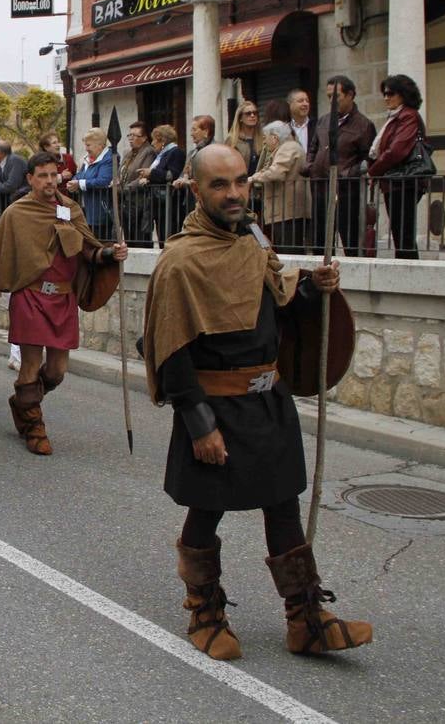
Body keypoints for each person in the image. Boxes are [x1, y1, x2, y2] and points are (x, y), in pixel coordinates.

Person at [143, 143, 371, 661]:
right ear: (197, 190)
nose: (234, 193)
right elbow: (170, 350)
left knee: (283, 504)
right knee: (207, 511)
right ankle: (205, 610)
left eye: (241, 181)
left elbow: (277, 307)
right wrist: (200, 425)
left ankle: (306, 619)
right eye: (220, 184)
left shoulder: (253, 242)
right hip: (215, 408)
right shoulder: (180, 261)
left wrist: (314, 290)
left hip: (269, 403)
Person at [0, 151, 126, 454]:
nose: (49, 180)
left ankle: (23, 401)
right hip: (31, 296)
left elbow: (87, 249)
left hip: (63, 298)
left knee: (58, 370)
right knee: (31, 365)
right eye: (42, 175)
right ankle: (34, 428)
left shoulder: (69, 208)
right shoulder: (17, 213)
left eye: (53, 174)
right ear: (30, 178)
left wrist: (110, 254)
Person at [307, 75, 375, 257]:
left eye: (336, 96)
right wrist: (311, 166)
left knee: (350, 239)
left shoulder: (363, 125)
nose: (331, 101)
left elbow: (368, 158)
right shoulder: (322, 121)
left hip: (347, 192)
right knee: (319, 240)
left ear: (350, 95)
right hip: (321, 187)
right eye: (328, 97)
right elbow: (313, 147)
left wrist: (348, 173)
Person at [369, 74, 428, 259]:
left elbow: (397, 150)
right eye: (384, 94)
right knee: (400, 233)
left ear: (403, 94)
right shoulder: (395, 117)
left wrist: (374, 170)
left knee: (404, 234)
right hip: (394, 181)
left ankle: (411, 273)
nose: (386, 97)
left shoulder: (408, 116)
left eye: (391, 93)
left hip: (404, 180)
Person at [249, 121, 311, 253]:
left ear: (275, 138)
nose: (264, 143)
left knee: (290, 251)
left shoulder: (288, 147)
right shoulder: (283, 148)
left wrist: (252, 178)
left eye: (265, 138)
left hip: (288, 212)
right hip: (283, 212)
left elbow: (276, 172)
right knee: (284, 250)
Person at [139, 124, 186, 246]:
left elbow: (171, 175)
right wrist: (148, 179)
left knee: (169, 237)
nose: (153, 143)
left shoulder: (176, 152)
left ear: (163, 141)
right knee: (161, 237)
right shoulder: (161, 155)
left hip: (169, 203)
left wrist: (151, 173)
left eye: (155, 140)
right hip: (159, 203)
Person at [65, 129, 115, 239]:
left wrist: (79, 183)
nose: (86, 149)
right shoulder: (88, 159)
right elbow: (78, 176)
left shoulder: (109, 158)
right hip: (88, 210)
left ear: (100, 145)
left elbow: (103, 181)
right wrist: (73, 183)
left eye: (88, 145)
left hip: (102, 211)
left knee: (101, 243)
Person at [118, 122, 157, 247]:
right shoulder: (128, 154)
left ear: (144, 137)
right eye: (129, 135)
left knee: (140, 239)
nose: (131, 138)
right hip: (126, 202)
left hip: (140, 202)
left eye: (135, 135)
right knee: (129, 239)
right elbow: (121, 172)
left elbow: (143, 175)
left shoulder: (148, 152)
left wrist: (125, 188)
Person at [172, 115, 215, 220]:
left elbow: (210, 175)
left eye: (194, 130)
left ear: (206, 132)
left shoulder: (214, 151)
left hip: (207, 201)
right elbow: (185, 171)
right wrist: (182, 179)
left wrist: (191, 182)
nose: (191, 134)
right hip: (191, 201)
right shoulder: (192, 152)